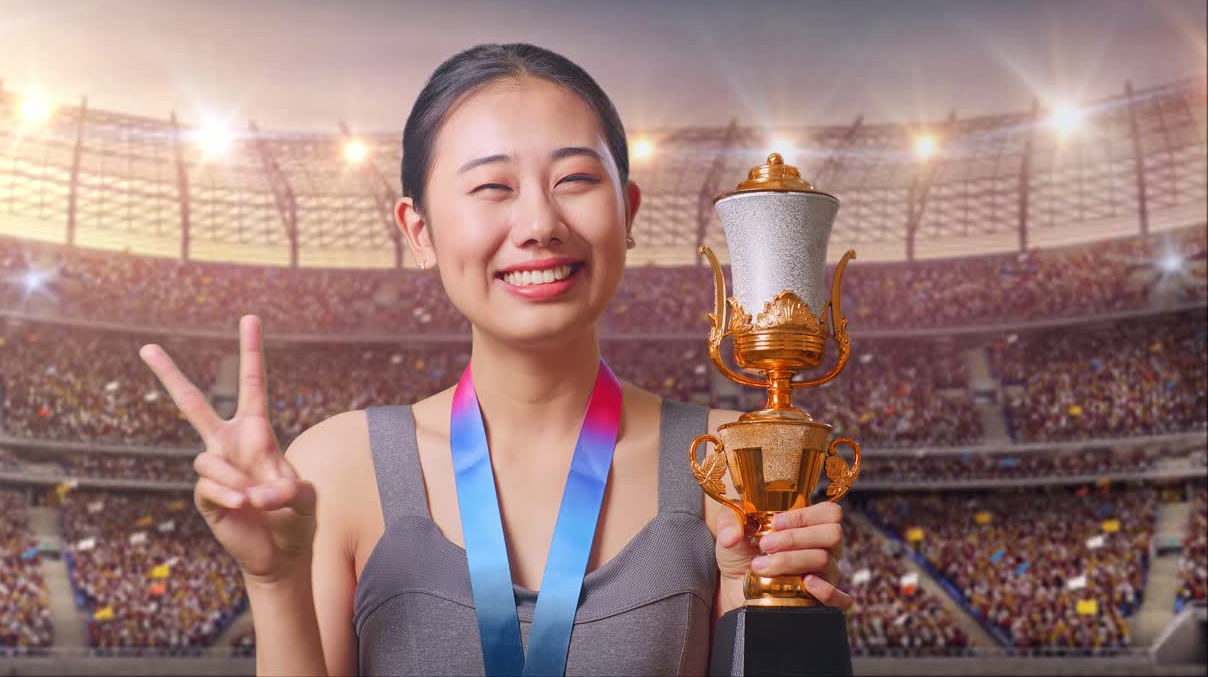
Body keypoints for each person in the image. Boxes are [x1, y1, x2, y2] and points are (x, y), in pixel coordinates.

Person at [139, 42, 850, 677]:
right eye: (492, 187)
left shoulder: (738, 465)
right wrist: (274, 581)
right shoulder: (340, 467)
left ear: (628, 212)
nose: (540, 224)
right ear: (419, 230)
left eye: (575, 179)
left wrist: (780, 618)